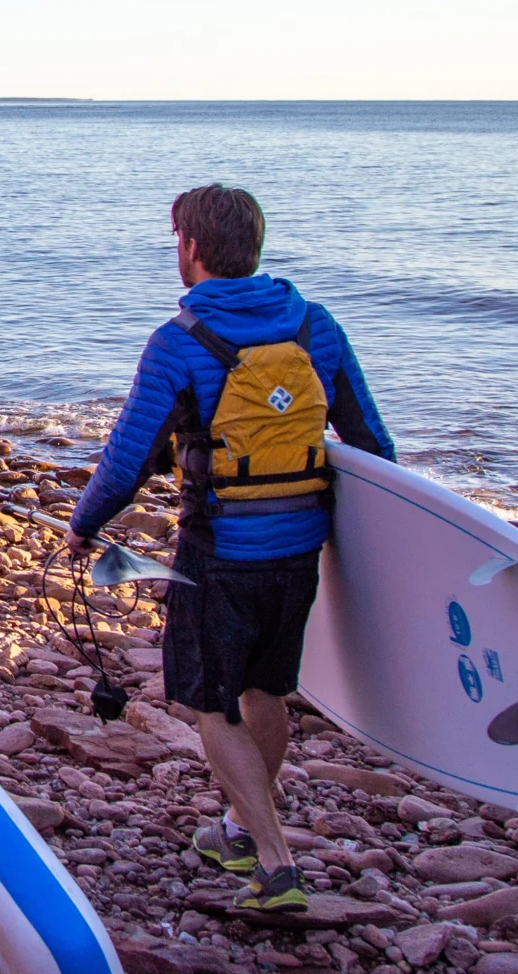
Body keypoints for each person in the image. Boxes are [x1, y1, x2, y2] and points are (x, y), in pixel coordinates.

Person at [68, 184, 394, 914]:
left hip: (218, 555)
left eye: (175, 239)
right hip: (300, 550)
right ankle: (241, 830)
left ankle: (277, 866)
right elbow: (371, 442)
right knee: (266, 690)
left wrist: (85, 524)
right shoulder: (317, 327)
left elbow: (128, 460)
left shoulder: (180, 342)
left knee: (214, 706)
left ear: (190, 247)